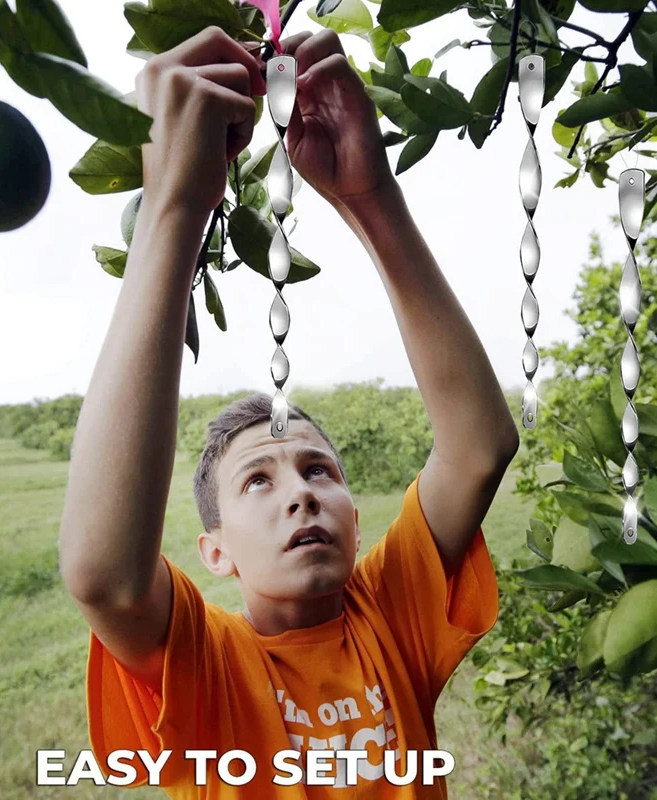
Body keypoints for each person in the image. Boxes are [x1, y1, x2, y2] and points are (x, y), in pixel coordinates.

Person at [58, 24, 520, 798]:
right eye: (258, 481)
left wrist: (370, 198)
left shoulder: (389, 614)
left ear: (355, 521)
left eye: (319, 471)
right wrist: (173, 205)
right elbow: (106, 578)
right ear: (216, 554)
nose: (301, 492)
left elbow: (479, 448)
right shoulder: (207, 664)